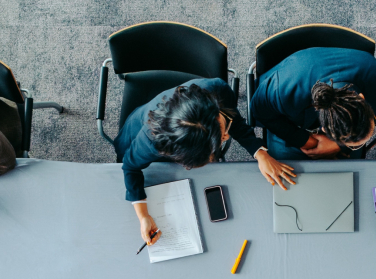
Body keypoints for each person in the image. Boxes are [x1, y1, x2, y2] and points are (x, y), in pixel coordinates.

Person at [115, 78, 295, 246]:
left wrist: (260, 153)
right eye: (222, 138)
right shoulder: (151, 140)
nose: (226, 136)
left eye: (222, 131)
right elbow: (130, 166)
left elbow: (234, 120)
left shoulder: (218, 88)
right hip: (139, 138)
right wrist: (143, 216)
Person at [248, 47, 376, 161]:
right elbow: (259, 111)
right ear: (325, 128)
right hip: (287, 111)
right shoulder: (283, 90)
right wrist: (306, 141)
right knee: (290, 169)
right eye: (355, 144)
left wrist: (339, 145)